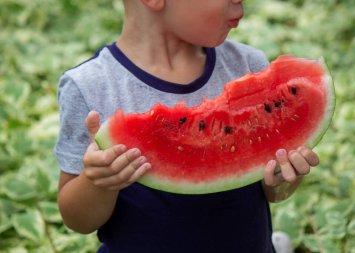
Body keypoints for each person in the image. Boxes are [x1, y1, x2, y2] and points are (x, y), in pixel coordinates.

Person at [55, 0, 320, 252]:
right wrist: (99, 183)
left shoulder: (249, 67)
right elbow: (78, 220)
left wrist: (284, 179)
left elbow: (271, 192)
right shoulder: (90, 88)